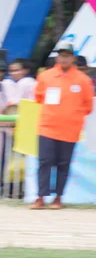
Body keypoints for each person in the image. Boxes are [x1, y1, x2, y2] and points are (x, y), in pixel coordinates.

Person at [31, 43, 94, 210]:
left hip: (69, 130)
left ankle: (58, 198)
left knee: (63, 164)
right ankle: (40, 197)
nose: (64, 58)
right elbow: (38, 97)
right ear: (57, 57)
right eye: (61, 55)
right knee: (44, 161)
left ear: (73, 58)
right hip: (47, 127)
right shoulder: (46, 76)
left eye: (67, 55)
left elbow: (88, 106)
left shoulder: (83, 80)